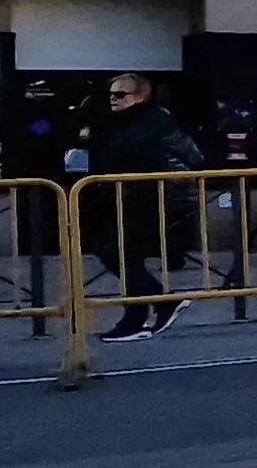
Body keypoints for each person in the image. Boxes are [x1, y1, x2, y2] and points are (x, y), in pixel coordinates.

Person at [84, 72, 203, 342]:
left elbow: (190, 156)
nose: (113, 99)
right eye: (111, 94)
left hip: (152, 199)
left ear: (139, 96)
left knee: (119, 253)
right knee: (124, 255)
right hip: (126, 198)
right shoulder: (117, 124)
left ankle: (154, 308)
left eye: (120, 94)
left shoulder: (151, 122)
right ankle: (141, 316)